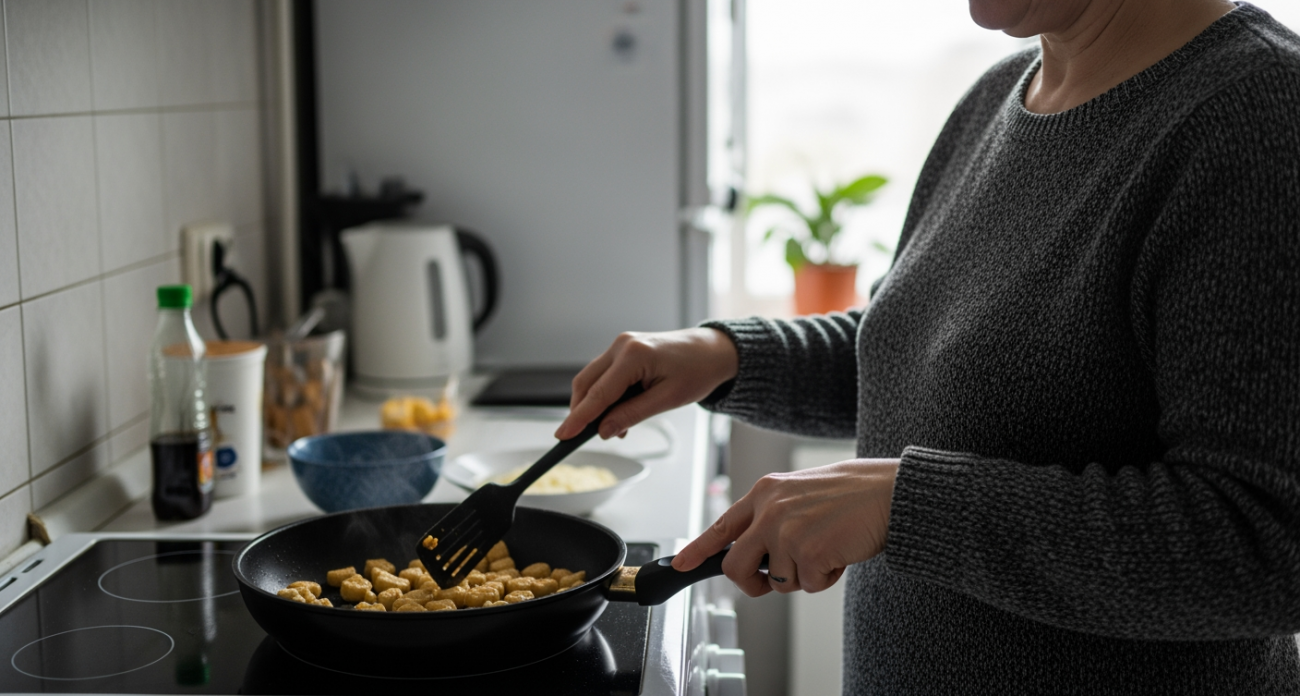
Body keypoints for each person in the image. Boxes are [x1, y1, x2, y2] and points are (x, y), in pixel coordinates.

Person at [555, 0, 1300, 692]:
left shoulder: (1260, 115)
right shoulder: (1001, 94)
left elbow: (1270, 543)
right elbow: (925, 355)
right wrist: (728, 355)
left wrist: (909, 506)